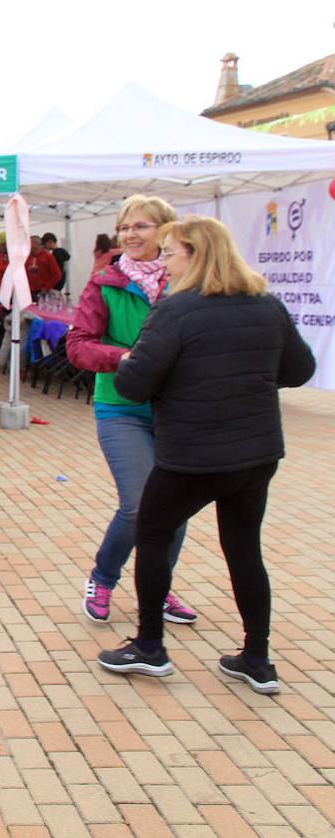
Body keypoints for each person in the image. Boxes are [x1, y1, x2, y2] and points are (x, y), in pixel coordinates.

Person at [98, 216, 315, 694]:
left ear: (196, 254)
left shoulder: (177, 310)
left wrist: (133, 360)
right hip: (256, 453)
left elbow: (134, 386)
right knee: (243, 548)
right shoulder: (265, 304)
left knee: (152, 533)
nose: (166, 261)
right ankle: (257, 657)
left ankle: (150, 646)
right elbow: (299, 369)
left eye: (171, 252)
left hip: (192, 454)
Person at [66, 195, 196, 625]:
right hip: (121, 404)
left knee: (175, 505)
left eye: (141, 226)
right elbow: (78, 345)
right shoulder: (106, 282)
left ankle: (157, 588)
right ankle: (104, 576)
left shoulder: (188, 281)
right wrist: (125, 358)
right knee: (140, 503)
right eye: (125, 227)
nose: (130, 234)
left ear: (166, 230)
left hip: (177, 408)